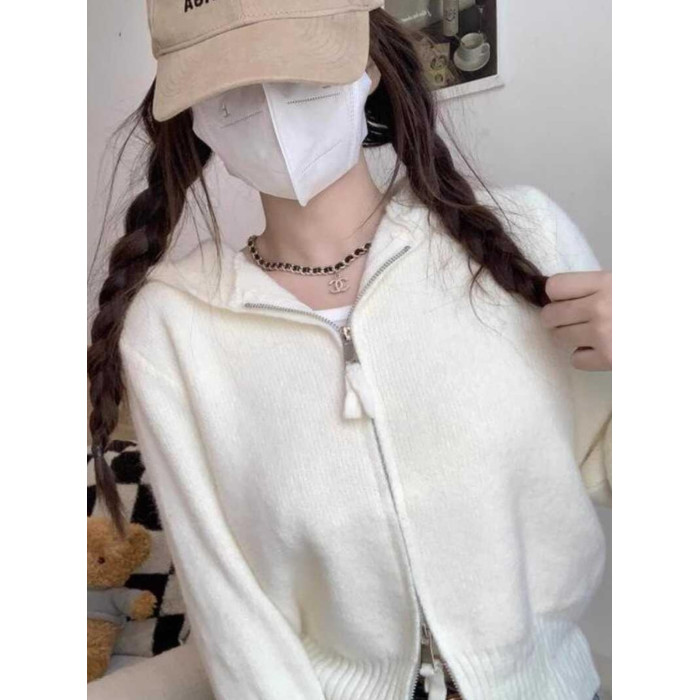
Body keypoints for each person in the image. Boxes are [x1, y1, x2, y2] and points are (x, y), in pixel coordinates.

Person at [87, 2, 612, 699]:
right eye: (228, 85)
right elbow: (230, 611)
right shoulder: (172, 328)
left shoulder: (529, 237)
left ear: (367, 65)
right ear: (193, 116)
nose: (270, 106)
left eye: (295, 66)